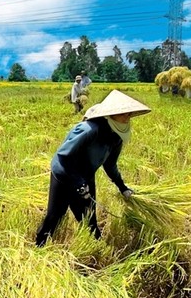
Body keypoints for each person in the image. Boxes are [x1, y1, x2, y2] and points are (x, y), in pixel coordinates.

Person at [35, 90, 151, 246]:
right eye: (124, 114)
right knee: (55, 215)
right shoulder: (88, 130)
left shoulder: (116, 137)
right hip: (64, 174)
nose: (127, 118)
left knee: (89, 217)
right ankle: (39, 246)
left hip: (86, 176)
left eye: (129, 114)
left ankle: (97, 246)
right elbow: (64, 157)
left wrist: (122, 187)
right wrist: (78, 184)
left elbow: (110, 165)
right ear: (112, 114)